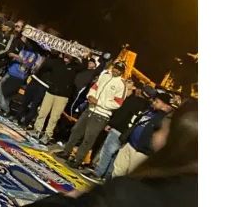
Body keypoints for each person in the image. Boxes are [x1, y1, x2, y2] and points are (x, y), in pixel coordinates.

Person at [28, 99, 197, 207]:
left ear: (179, 139)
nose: (155, 134)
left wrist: (70, 199)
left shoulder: (134, 192)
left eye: (161, 129)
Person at [54, 62, 127, 168]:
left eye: (119, 70)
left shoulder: (121, 84)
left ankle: (78, 160)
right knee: (76, 131)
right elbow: (95, 87)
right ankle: (66, 152)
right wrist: (90, 96)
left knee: (88, 138)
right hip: (90, 109)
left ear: (122, 72)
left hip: (101, 115)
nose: (116, 71)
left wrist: (99, 102)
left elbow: (117, 103)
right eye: (115, 68)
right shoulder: (105, 74)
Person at [82, 85, 155, 182]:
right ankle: (108, 176)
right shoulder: (148, 108)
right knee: (115, 155)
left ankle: (98, 173)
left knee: (107, 152)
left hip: (119, 128)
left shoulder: (133, 100)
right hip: (128, 133)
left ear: (140, 91)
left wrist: (111, 124)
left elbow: (122, 113)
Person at [31, 52, 89, 145]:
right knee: (42, 112)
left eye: (69, 55)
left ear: (73, 57)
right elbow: (47, 63)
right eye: (65, 54)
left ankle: (47, 135)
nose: (67, 56)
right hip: (50, 92)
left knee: (54, 117)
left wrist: (85, 56)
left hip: (62, 96)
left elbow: (84, 67)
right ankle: (37, 130)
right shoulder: (57, 62)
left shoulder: (75, 67)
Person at [111, 93, 174, 178]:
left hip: (142, 152)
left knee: (132, 177)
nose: (154, 103)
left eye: (157, 101)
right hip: (130, 145)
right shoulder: (149, 110)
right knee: (117, 170)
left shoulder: (165, 119)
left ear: (166, 105)